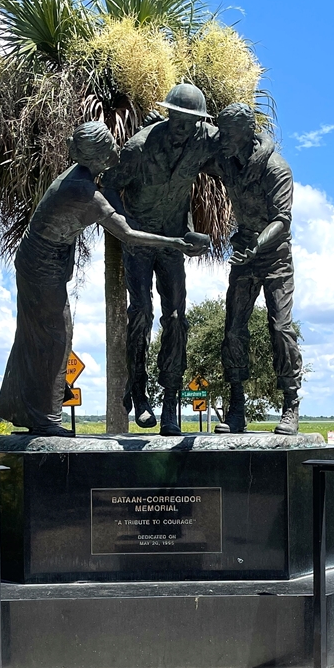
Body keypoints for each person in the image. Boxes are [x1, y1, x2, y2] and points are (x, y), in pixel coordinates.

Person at [0, 121, 204, 437]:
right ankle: (46, 419)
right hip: (41, 266)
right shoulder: (85, 192)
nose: (117, 150)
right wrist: (175, 243)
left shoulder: (79, 177)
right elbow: (129, 235)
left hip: (39, 261)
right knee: (55, 337)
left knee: (36, 336)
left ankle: (27, 409)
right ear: (99, 155)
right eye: (110, 146)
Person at [103, 83, 216, 435]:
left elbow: (237, 145)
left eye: (191, 121)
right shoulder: (140, 146)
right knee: (140, 314)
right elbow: (108, 185)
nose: (184, 128)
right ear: (168, 114)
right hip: (139, 241)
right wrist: (123, 228)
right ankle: (139, 394)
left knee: (177, 318)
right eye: (178, 120)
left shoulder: (204, 138)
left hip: (174, 243)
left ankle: (170, 404)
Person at [207, 103, 303, 435]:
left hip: (274, 256)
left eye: (229, 135)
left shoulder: (276, 169)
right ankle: (236, 409)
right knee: (233, 329)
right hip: (244, 254)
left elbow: (282, 220)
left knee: (280, 327)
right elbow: (196, 143)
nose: (223, 141)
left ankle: (291, 403)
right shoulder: (226, 157)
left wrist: (256, 248)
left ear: (247, 134)